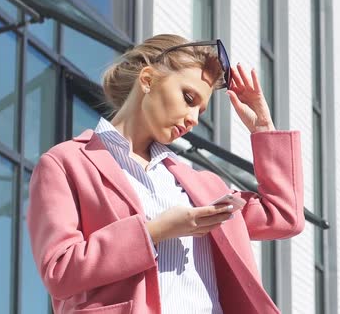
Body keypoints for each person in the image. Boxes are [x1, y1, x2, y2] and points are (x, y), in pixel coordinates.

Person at [26, 34, 304, 314]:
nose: (194, 118)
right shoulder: (66, 163)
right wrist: (156, 231)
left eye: (200, 110)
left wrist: (263, 127)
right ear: (147, 79)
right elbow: (59, 271)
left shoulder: (203, 186)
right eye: (188, 97)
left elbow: (284, 216)